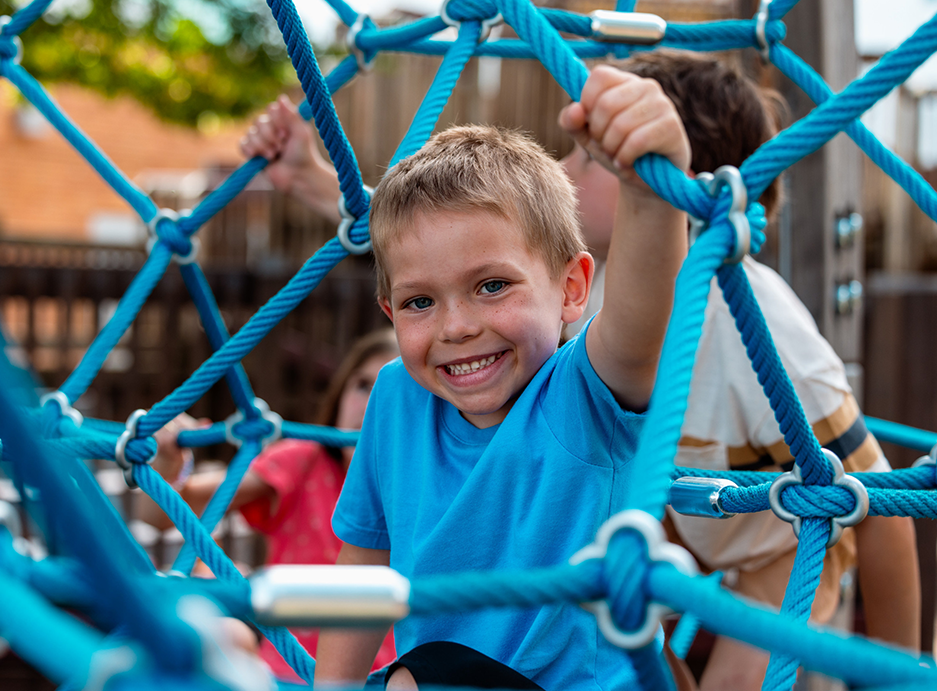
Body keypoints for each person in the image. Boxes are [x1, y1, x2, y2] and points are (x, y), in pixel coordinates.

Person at [290, 66, 690, 689]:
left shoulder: (581, 396)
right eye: (420, 302)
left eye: (492, 286)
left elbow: (645, 318)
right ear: (391, 312)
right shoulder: (395, 398)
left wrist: (649, 190)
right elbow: (367, 565)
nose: (456, 327)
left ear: (572, 289)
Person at [558, 51, 920, 689]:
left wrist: (899, 669)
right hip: (678, 505)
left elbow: (883, 513)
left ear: (684, 184)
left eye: (589, 159)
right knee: (611, 636)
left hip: (789, 538)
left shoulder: (768, 338)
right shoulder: (595, 293)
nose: (562, 171)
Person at [146, 329, 401, 682]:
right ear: (340, 393)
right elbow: (165, 513)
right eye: (362, 386)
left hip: (388, 678)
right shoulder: (304, 462)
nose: (371, 405)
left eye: (394, 393)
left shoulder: (428, 488)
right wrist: (170, 465)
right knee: (220, 633)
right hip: (287, 671)